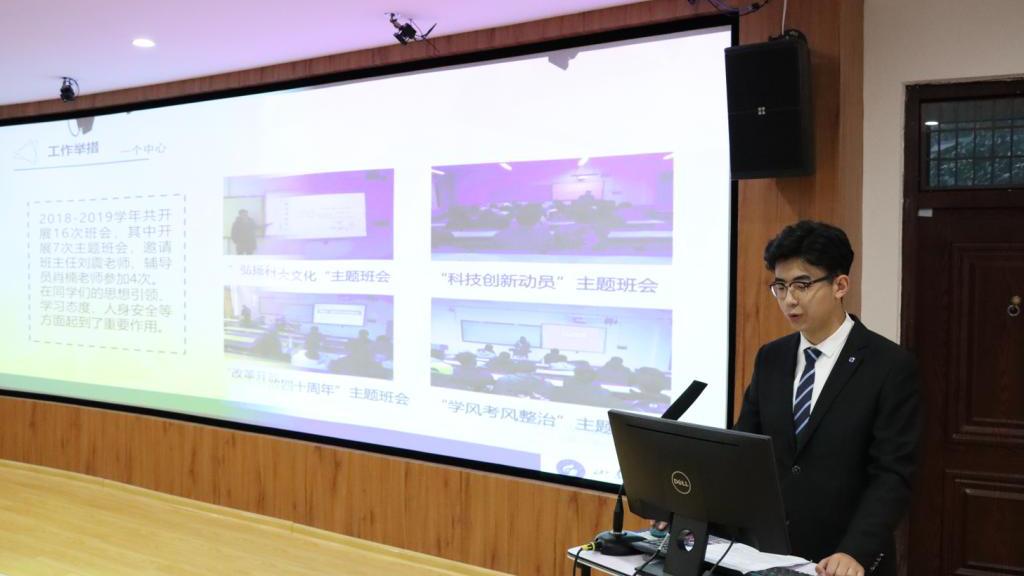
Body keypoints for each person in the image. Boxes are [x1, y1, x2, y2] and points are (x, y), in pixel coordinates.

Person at [734, 221, 920, 576]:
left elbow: (892, 473)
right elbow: (743, 448)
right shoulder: (771, 357)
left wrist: (855, 551)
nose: (789, 299)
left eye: (802, 285)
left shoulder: (889, 365)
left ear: (840, 285)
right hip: (770, 554)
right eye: (780, 286)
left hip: (843, 559)